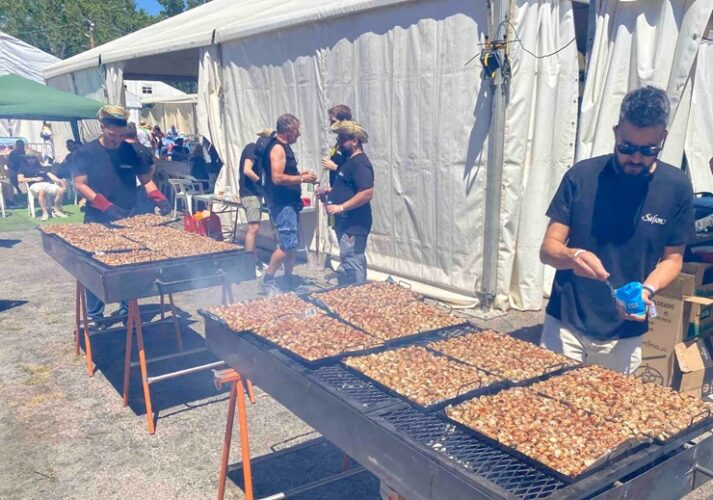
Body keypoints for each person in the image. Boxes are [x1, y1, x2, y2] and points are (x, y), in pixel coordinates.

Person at [539, 86, 694, 374]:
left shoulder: (676, 187)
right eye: (627, 147)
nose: (635, 158)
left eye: (648, 150)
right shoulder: (582, 176)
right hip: (565, 323)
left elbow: (673, 259)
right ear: (615, 132)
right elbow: (548, 249)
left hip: (625, 333)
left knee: (610, 403)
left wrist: (647, 290)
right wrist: (573, 256)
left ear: (663, 138)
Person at [73, 105, 171, 322]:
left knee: (128, 266)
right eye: (112, 135)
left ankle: (128, 311)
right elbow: (79, 184)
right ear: (102, 127)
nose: (116, 140)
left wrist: (159, 197)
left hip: (128, 216)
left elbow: (146, 180)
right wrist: (103, 205)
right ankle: (95, 316)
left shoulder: (131, 151)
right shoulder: (86, 152)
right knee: (95, 267)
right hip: (97, 218)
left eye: (120, 135)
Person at [261, 114, 317, 294]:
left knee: (292, 244)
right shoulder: (278, 148)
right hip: (283, 204)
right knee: (286, 245)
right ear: (288, 130)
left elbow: (284, 173)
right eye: (297, 130)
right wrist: (302, 179)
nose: (298, 134)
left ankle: (287, 279)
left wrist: (301, 174)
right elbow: (277, 178)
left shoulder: (283, 147)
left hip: (289, 204)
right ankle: (268, 279)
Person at [321, 120, 374, 285]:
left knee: (352, 259)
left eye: (342, 140)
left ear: (354, 141)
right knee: (348, 258)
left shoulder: (360, 163)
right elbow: (349, 187)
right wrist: (330, 192)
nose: (339, 143)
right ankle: (352, 288)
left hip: (354, 223)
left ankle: (357, 291)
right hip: (344, 222)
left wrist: (341, 207)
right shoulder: (349, 162)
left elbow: (366, 193)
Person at [239, 129, 273, 273]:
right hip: (250, 194)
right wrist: (261, 183)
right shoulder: (251, 148)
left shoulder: (261, 155)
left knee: (255, 228)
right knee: (253, 228)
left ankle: (255, 260)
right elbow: (247, 170)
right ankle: (250, 265)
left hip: (256, 194)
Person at [17, 154, 68, 220]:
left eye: (32, 158)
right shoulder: (22, 169)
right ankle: (45, 213)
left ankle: (56, 210)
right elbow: (20, 179)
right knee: (41, 190)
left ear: (35, 159)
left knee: (60, 190)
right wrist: (34, 179)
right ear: (26, 159)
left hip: (46, 183)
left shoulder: (41, 167)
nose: (30, 159)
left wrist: (60, 180)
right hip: (33, 185)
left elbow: (51, 176)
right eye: (28, 158)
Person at [125, 122, 158, 215]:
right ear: (135, 134)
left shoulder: (118, 150)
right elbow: (152, 168)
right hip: (144, 188)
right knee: (146, 218)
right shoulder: (145, 150)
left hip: (125, 191)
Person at [321, 104, 352, 187]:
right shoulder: (339, 142)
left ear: (344, 121)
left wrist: (335, 167)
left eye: (333, 122)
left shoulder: (350, 143)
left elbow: (354, 171)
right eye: (330, 122)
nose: (331, 125)